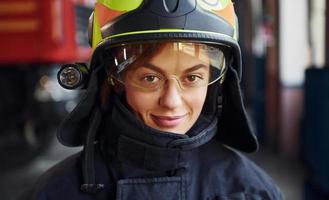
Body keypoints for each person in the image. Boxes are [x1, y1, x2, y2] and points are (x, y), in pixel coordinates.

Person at [28, 0, 284, 199]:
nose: (171, 101)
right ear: (111, 78)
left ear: (218, 84)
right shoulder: (56, 192)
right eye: (150, 78)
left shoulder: (252, 192)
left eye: (192, 77)